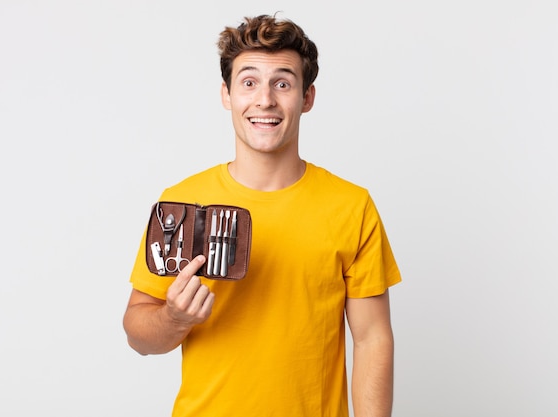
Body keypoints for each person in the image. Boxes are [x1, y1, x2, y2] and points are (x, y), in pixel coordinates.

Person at [123, 14, 402, 417]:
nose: (265, 100)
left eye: (283, 83)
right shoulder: (181, 203)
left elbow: (373, 338)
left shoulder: (351, 206)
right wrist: (174, 317)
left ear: (307, 98)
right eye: (249, 82)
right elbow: (139, 336)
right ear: (227, 94)